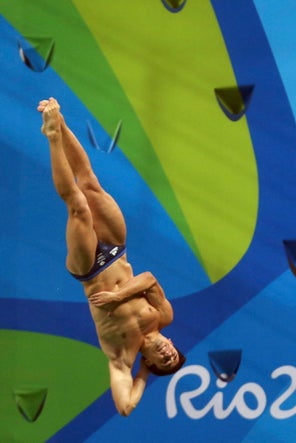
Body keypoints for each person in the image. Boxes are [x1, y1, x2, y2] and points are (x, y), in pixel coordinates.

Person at [38, 97, 186, 415]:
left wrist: (144, 375)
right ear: (172, 343)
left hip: (89, 269)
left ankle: (52, 136)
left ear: (151, 362)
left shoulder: (122, 356)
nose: (167, 353)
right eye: (173, 353)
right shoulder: (164, 316)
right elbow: (148, 278)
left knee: (77, 204)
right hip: (117, 251)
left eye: (164, 361)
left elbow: (125, 407)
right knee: (90, 182)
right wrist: (119, 298)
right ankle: (60, 121)